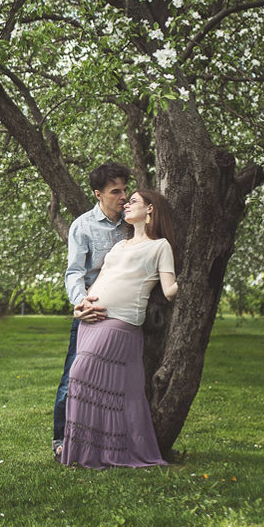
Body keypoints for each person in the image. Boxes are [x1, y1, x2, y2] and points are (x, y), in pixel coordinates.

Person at [58, 189, 179, 469]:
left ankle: (101, 451)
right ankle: (86, 453)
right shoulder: (119, 245)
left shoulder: (160, 246)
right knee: (91, 386)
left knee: (80, 375)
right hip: (91, 320)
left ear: (150, 210)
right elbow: (102, 279)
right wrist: (79, 307)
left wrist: (195, 276)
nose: (127, 203)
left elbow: (170, 290)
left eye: (133, 201)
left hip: (121, 321)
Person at [53, 162, 131, 459]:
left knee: (120, 382)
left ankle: (113, 441)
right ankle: (61, 439)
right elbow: (74, 271)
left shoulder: (133, 222)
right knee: (75, 376)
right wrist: (80, 302)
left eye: (125, 190)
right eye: (115, 192)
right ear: (98, 194)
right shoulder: (83, 226)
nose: (123, 197)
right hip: (93, 310)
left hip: (127, 314)